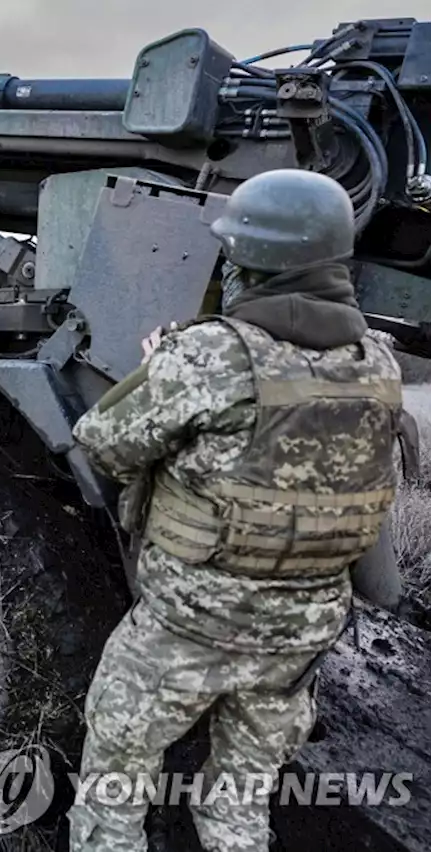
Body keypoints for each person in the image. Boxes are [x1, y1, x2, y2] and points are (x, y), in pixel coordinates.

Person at [66, 169, 409, 852]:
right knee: (239, 808)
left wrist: (162, 366)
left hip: (190, 626)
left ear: (250, 259)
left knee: (114, 793)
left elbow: (101, 445)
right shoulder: (378, 363)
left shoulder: (210, 353)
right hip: (298, 639)